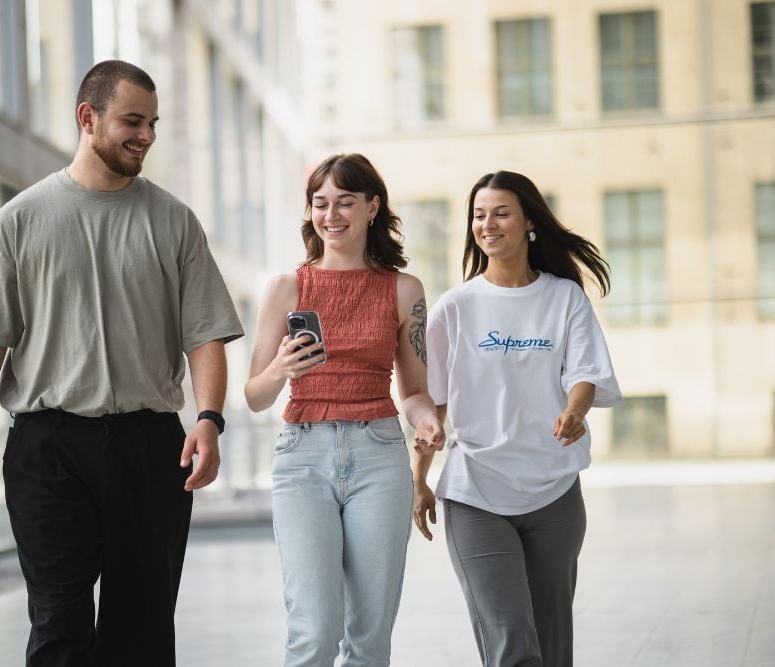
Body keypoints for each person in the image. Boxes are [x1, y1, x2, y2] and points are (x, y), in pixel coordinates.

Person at [0, 60, 243, 666]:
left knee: (144, 625)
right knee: (59, 622)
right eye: (133, 121)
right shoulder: (20, 221)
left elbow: (206, 336)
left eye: (154, 123)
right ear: (88, 118)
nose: (147, 136)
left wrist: (208, 419)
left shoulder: (174, 221)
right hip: (47, 447)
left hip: (150, 446)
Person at [414, 170, 621, 666]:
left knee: (552, 642)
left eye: (501, 212)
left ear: (529, 220)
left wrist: (574, 411)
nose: (487, 224)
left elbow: (586, 370)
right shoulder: (456, 307)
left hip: (553, 491)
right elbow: (432, 403)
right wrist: (419, 477)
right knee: (510, 636)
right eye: (479, 215)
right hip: (475, 492)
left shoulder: (563, 297)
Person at [245, 153, 444, 666]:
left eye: (344, 202)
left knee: (370, 637)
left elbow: (415, 391)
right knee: (313, 631)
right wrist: (283, 368)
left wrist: (426, 420)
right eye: (320, 203)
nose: (331, 215)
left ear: (373, 207)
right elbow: (255, 395)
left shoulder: (404, 290)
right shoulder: (286, 288)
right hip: (302, 456)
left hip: (378, 453)